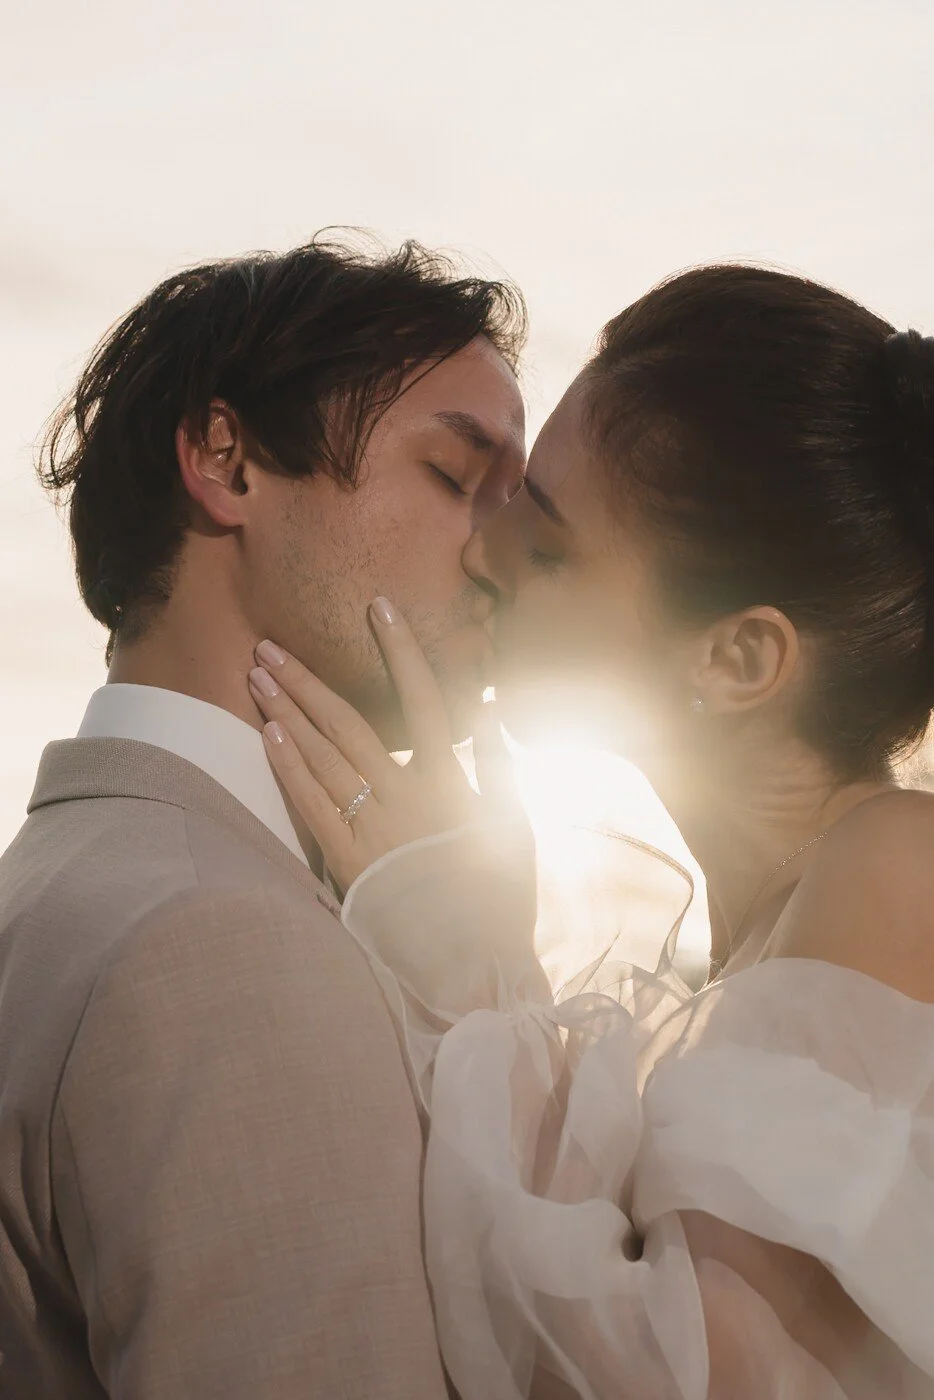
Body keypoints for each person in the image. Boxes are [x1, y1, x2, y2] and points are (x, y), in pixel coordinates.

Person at [251, 265, 934, 1397]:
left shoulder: (895, 864)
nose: (484, 552)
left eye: (550, 544)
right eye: (512, 499)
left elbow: (692, 1372)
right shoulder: (772, 927)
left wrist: (456, 961)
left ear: (737, 659)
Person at [0, 235, 527, 1397]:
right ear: (228, 461)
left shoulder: (66, 877)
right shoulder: (220, 943)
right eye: (453, 478)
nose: (503, 558)